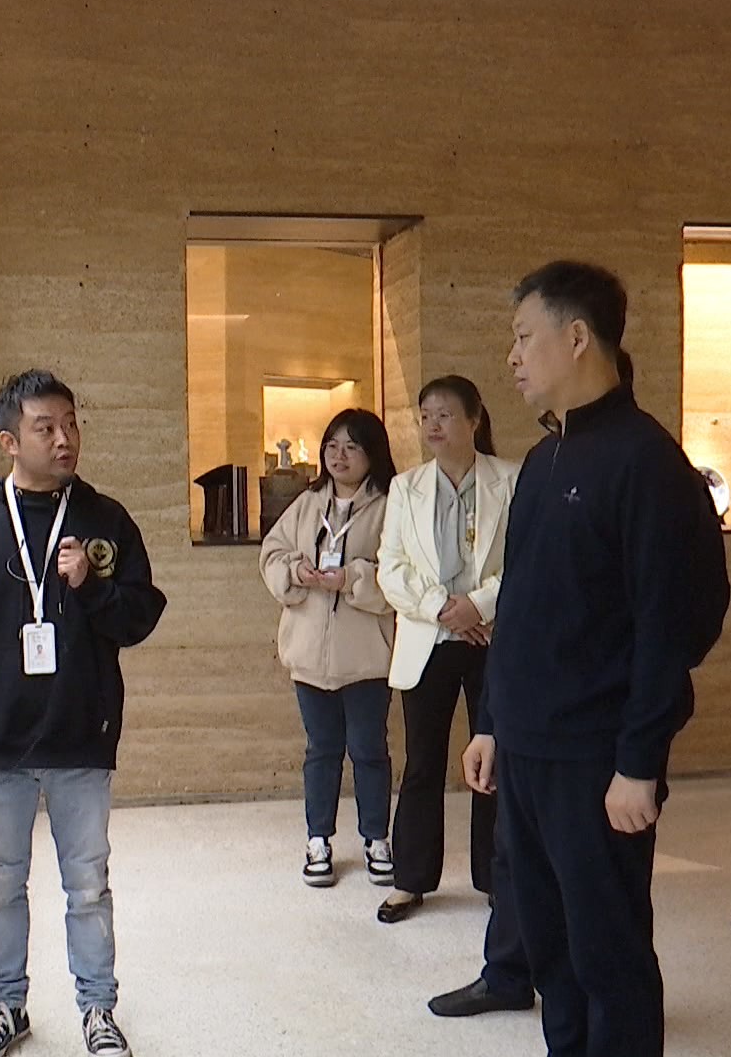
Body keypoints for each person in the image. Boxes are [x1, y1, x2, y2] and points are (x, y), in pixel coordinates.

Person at [464, 261, 730, 1056]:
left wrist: (639, 760)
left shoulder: (648, 463)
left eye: (524, 337)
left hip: (596, 758)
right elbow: (518, 609)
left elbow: (674, 625)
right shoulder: (544, 461)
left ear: (577, 337)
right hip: (527, 748)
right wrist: (492, 722)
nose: (512, 357)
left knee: (607, 952)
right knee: (552, 949)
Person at [0, 369, 166, 1057]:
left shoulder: (104, 520)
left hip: (82, 734)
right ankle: (7, 1007)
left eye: (71, 424)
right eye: (45, 427)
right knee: (1, 885)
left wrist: (91, 588)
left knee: (88, 884)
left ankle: (98, 1010)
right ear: (9, 441)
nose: (64, 439)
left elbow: (141, 615)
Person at [375, 375, 533, 1012]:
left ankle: (494, 879)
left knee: (492, 763)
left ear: (474, 419)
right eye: (425, 416)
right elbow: (391, 568)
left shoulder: (512, 478)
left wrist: (479, 605)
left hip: (494, 636)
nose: (433, 426)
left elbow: (524, 558)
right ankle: (412, 878)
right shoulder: (406, 487)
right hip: (430, 638)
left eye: (445, 414)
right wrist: (446, 608)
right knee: (422, 763)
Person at [260, 408, 398, 889]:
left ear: (373, 454)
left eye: (352, 447)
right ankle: (318, 839)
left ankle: (376, 838)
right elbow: (271, 555)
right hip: (309, 657)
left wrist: (352, 579)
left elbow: (400, 575)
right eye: (332, 446)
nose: (339, 456)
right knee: (321, 751)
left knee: (369, 751)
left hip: (366, 659)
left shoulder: (390, 506)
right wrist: (295, 572)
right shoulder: (307, 502)